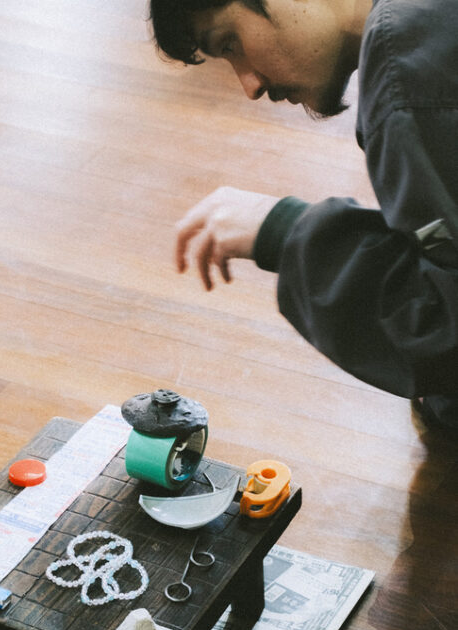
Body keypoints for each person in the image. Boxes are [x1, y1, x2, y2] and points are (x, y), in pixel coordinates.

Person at [149, 0, 458, 435]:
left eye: (230, 43)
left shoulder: (407, 64)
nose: (250, 85)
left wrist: (281, 230)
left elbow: (447, 326)